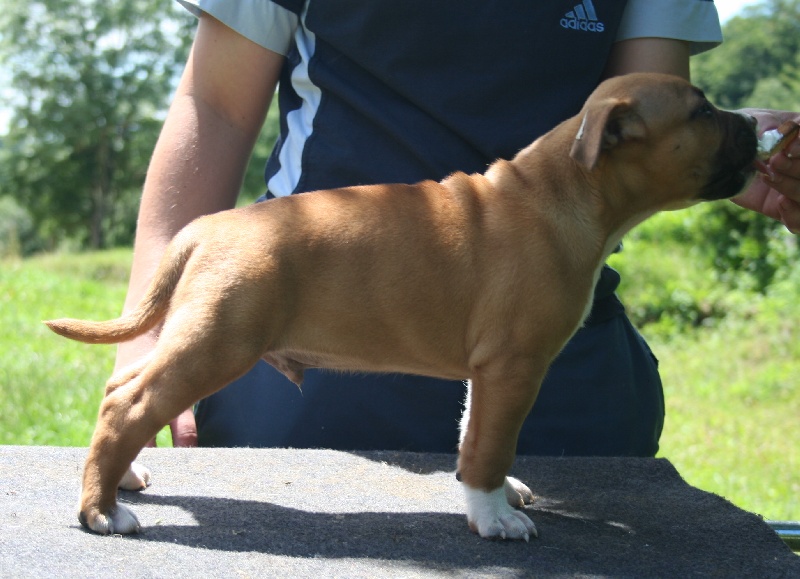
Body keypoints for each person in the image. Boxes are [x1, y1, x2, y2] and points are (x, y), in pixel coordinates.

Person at [117, 1, 800, 455]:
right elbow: (216, 107)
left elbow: (650, 121)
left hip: (556, 361)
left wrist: (742, 157)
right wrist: (151, 339)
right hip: (312, 336)